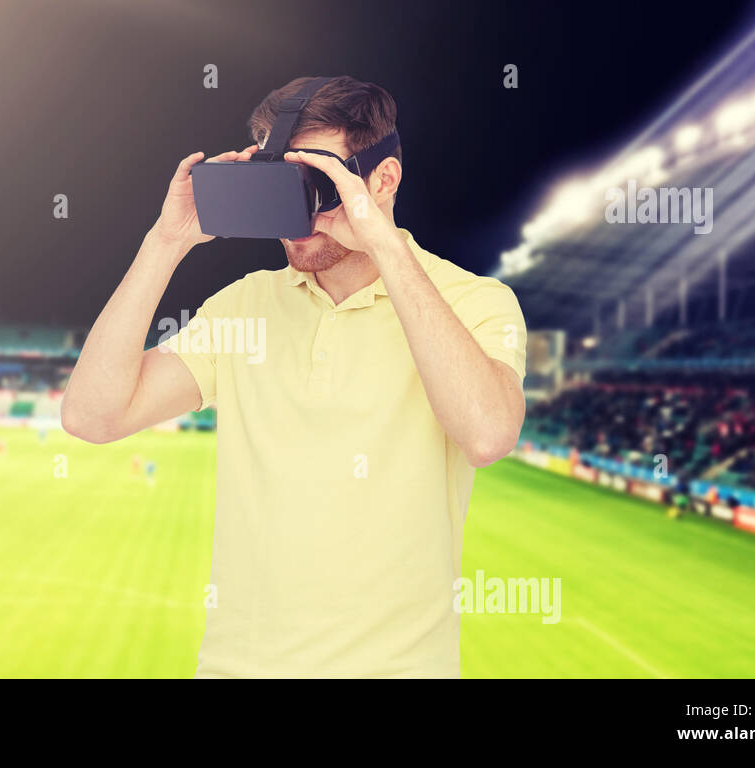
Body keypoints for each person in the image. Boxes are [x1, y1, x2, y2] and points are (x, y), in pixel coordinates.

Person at [61, 76, 527, 678]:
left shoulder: (474, 301)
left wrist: (384, 246)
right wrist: (165, 243)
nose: (297, 213)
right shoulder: (245, 305)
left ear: (383, 180)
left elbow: (488, 435)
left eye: (319, 183)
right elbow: (92, 417)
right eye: (282, 183)